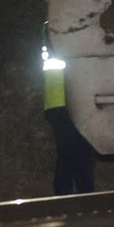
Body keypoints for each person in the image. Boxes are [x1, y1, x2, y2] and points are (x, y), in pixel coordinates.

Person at [42, 32, 96, 194]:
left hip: (57, 101)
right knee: (80, 151)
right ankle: (83, 196)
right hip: (69, 100)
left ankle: (65, 196)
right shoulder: (63, 26)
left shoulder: (53, 26)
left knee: (68, 153)